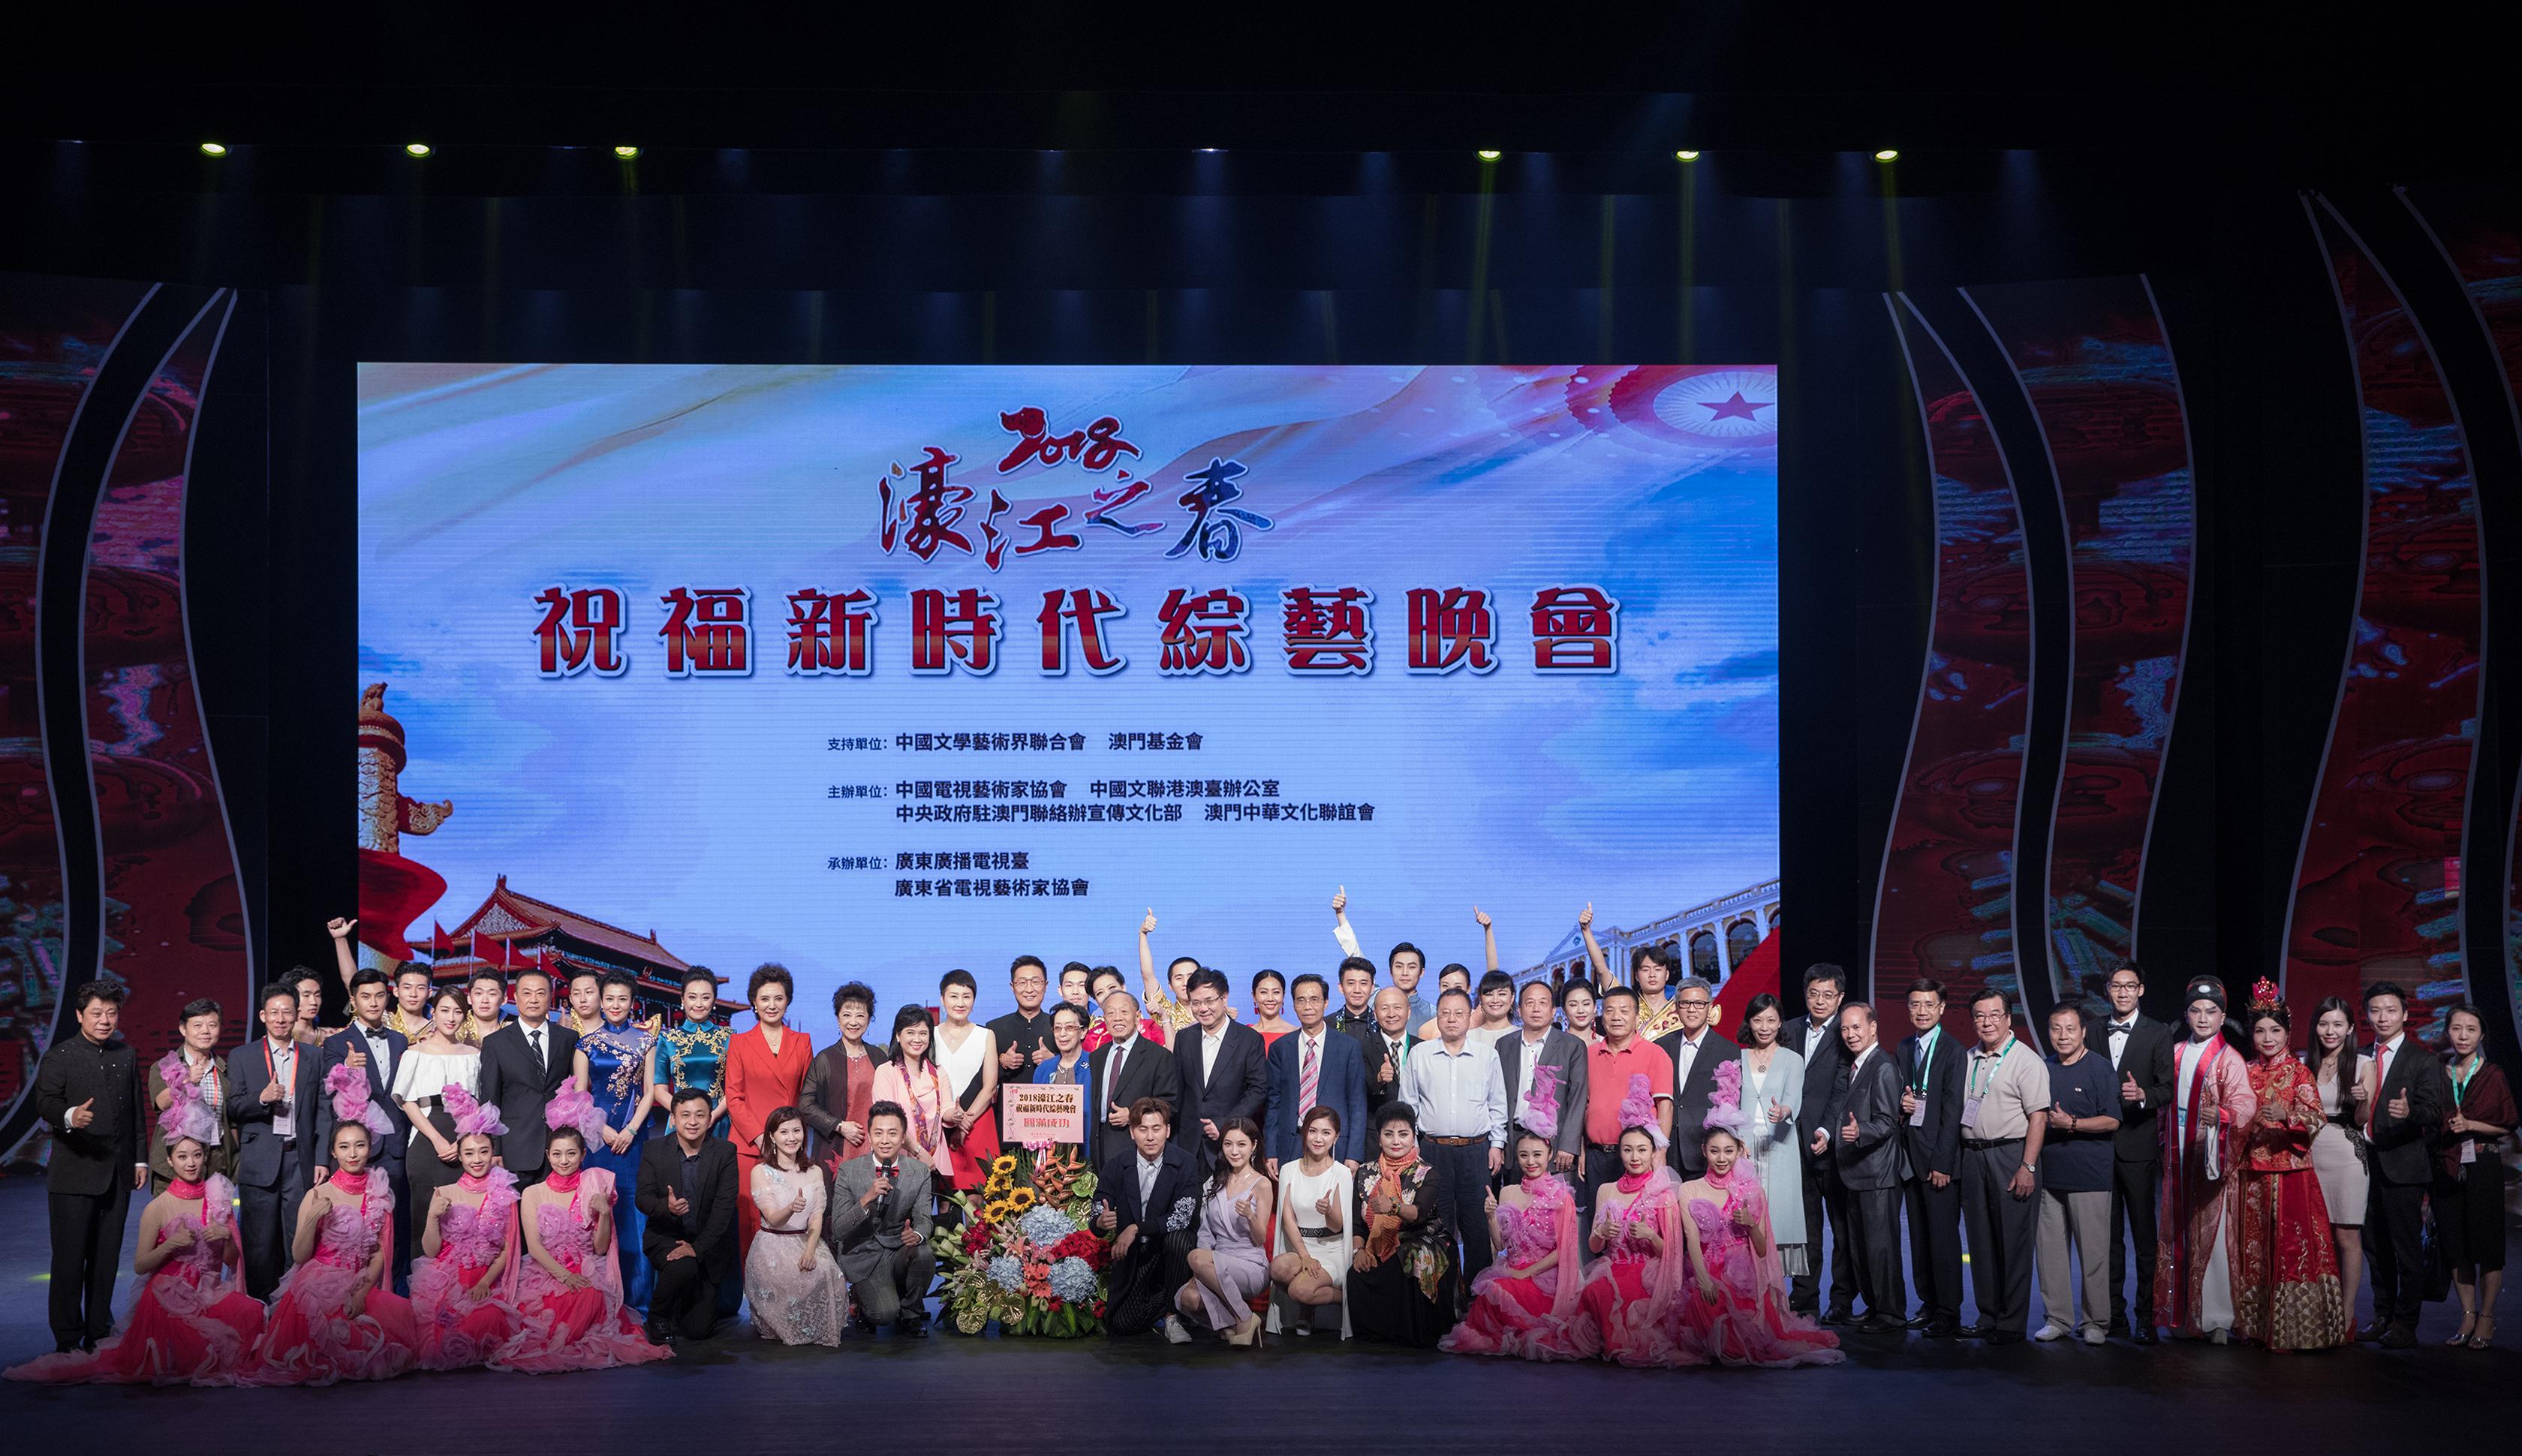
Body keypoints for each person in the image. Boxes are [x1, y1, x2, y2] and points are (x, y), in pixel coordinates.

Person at [7, 1082, 263, 1384]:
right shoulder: (159, 1206)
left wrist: (227, 1237)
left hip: (208, 1291)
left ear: (205, 1157)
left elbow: (231, 1261)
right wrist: (171, 1245)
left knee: (253, 1312)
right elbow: (141, 1265)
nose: (191, 1163)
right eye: (182, 1157)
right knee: (190, 1349)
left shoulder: (217, 1196)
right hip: (169, 1296)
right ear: (170, 1161)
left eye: (196, 1155)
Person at [238, 1072, 416, 1385]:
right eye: (344, 1147)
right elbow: (299, 1255)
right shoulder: (318, 1194)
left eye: (360, 1145)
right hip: (320, 1283)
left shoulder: (378, 1190)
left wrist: (362, 1292)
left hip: (361, 1282)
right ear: (333, 1152)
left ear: (370, 1147)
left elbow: (379, 1251)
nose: (353, 1154)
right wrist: (311, 1219)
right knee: (329, 1345)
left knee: (397, 1324)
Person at [1675, 1091, 1843, 1367]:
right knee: (1704, 1312)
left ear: (1739, 1150)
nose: (1721, 1158)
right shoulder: (1689, 1189)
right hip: (1705, 1272)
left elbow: (1763, 1250)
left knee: (1744, 1340)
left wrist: (1750, 1225)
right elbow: (1692, 1239)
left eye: (1728, 1151)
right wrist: (1703, 1280)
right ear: (1704, 1151)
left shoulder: (1751, 1190)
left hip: (1744, 1278)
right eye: (1715, 1151)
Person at [31, 981, 146, 1356]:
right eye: (97, 1013)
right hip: (73, 1175)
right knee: (69, 1260)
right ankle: (67, 1337)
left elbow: (135, 1112)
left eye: (111, 1013)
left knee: (106, 1258)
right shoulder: (60, 1055)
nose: (105, 1020)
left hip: (117, 1174)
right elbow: (45, 1102)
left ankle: (99, 1330)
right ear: (80, 1015)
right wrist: (70, 1115)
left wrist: (139, 1159)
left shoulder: (126, 1054)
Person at [2232, 982, 2349, 1351]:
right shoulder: (2244, 1071)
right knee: (2254, 1251)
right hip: (2251, 1174)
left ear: (2287, 1033)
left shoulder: (2299, 1073)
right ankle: (2254, 1326)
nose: (2268, 1038)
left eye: (2275, 1030)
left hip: (2290, 1174)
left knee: (2291, 1251)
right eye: (2260, 1031)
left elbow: (2316, 1118)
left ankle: (2294, 1329)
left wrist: (2287, 1116)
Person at [502, 1123, 668, 1370]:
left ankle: (564, 1344)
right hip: (545, 1272)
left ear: (583, 1155)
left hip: (586, 1269)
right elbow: (534, 1246)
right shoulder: (533, 1193)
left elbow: (600, 1249)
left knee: (590, 1297)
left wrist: (604, 1213)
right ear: (548, 1155)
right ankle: (556, 1346)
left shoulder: (593, 1187)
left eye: (571, 1153)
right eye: (557, 1154)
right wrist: (564, 1276)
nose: (564, 1161)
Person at [2156, 975, 2254, 1343]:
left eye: (2211, 1011)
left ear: (2222, 1016)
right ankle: (2183, 1315)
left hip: (2211, 1155)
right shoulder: (2174, 1053)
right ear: (2186, 1015)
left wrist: (2223, 1116)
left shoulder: (2230, 1059)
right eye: (2196, 1011)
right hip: (2178, 1154)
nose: (2202, 1018)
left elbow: (2245, 1105)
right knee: (2179, 1234)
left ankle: (2217, 1319)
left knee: (2212, 1237)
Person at [1439, 1128, 1589, 1359]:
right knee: (1490, 1292)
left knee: (1500, 1293)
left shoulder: (1562, 1196)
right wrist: (1491, 1217)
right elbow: (1500, 1245)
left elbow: (1564, 1251)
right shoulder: (1508, 1192)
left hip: (1546, 1277)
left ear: (1549, 1155)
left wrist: (1525, 1273)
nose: (1531, 1162)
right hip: (1512, 1269)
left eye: (1537, 1155)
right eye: (1523, 1155)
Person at [2358, 979, 2448, 1348]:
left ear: (2406, 1015)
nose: (2383, 1017)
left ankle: (2406, 1322)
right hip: (2363, 1163)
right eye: (2376, 1010)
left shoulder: (2422, 1060)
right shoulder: (2360, 1057)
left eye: (2391, 1010)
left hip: (2404, 1164)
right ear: (2367, 1015)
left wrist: (2410, 1112)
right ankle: (2382, 1314)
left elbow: (2434, 1112)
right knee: (2374, 1246)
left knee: (2406, 1248)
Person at [1955, 988, 2048, 1343]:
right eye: (1980, 1015)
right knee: (1980, 1241)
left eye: (1995, 1015)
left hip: (2011, 1156)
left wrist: (2028, 1166)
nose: (1987, 1022)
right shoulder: (1968, 1058)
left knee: (2013, 1243)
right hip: (1973, 1156)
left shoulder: (2026, 1060)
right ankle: (1987, 1315)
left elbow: (2039, 1117)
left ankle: (2010, 1322)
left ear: (2009, 1019)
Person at [407, 1087, 521, 1370]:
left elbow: (509, 1248)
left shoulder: (504, 1193)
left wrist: (485, 1283)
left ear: (493, 1153)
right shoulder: (444, 1192)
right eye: (469, 1153)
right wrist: (433, 1216)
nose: (477, 1159)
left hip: (488, 1280)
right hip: (447, 1279)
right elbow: (431, 1251)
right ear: (459, 1155)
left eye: (484, 1151)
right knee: (440, 1331)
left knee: (490, 1319)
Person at [227, 979, 324, 1301]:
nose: (281, 1019)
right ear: (262, 1016)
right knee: (259, 1242)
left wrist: (321, 1159)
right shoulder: (242, 1056)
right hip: (259, 1160)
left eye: (287, 1012)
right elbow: (233, 1107)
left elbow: (323, 1111)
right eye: (274, 1012)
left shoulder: (313, 1057)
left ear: (297, 1014)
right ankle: (259, 1306)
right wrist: (262, 1098)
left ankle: (293, 1306)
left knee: (298, 1238)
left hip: (300, 1158)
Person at [1404, 987, 1508, 1284]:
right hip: (1432, 1151)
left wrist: (1497, 1144)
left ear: (1469, 1017)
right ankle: (1444, 1296)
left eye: (1459, 1013)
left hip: (1476, 1151)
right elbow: (1409, 1105)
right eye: (1445, 1013)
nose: (1451, 1019)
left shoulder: (1487, 1056)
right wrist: (1413, 1148)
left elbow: (1497, 1104)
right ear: (1437, 1017)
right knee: (1437, 1224)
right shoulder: (1420, 1054)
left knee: (1476, 1225)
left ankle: (1478, 1294)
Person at [317, 967, 411, 1289]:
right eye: (366, 996)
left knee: (394, 1223)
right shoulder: (337, 1043)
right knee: (353, 1223)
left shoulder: (400, 1040)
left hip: (395, 1144)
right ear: (354, 1000)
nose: (373, 1002)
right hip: (356, 1147)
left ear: (388, 998)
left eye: (379, 996)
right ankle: (351, 1289)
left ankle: (394, 1292)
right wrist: (346, 1067)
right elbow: (327, 1088)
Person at [1813, 1002, 1906, 1332]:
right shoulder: (1858, 1064)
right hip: (1856, 1173)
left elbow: (1887, 1121)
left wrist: (1859, 1131)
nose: (1851, 1034)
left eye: (1857, 1027)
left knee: (1881, 1249)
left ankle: (1891, 1314)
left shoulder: (1882, 1066)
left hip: (1877, 1173)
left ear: (1873, 1028)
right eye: (1845, 1029)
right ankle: (1874, 1307)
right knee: (1862, 1247)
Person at [573, 970, 661, 1308]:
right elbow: (580, 1096)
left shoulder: (646, 1042)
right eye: (609, 998)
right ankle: (598, 1301)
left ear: (632, 1002)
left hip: (633, 1140)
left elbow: (650, 1091)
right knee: (597, 1212)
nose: (615, 1005)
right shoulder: (585, 1045)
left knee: (633, 1214)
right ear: (600, 1000)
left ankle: (638, 1300)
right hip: (597, 1142)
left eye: (622, 999)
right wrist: (602, 1129)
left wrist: (631, 1130)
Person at [1575, 1110, 1691, 1365]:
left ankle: (1623, 1345)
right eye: (1628, 1150)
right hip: (1614, 1267)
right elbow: (1594, 1245)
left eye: (1641, 1150)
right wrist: (1602, 1232)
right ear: (1620, 1153)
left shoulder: (1664, 1193)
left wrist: (1651, 1236)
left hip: (1650, 1271)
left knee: (1624, 1296)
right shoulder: (1607, 1190)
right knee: (1595, 1290)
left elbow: (1672, 1253)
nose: (1635, 1157)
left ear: (1653, 1153)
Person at [2035, 1000, 2120, 1344]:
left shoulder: (2100, 1068)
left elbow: (2112, 1120)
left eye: (2070, 1029)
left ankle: (2095, 1321)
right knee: (2050, 1253)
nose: (2063, 1036)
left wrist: (2072, 1124)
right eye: (2056, 1029)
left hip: (2089, 1175)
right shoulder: (2043, 1068)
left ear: (2083, 1032)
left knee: (2093, 1254)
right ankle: (2057, 1318)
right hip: (2049, 1174)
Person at [2100, 960, 2174, 1343]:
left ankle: (2146, 1316)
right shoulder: (2093, 1028)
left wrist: (2144, 1094)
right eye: (2117, 986)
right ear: (2108, 990)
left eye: (2130, 986)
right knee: (2107, 1240)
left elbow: (2167, 1088)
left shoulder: (2157, 1032)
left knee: (2144, 1239)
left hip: (2138, 1147)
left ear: (2141, 990)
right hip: (2099, 1149)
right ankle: (2113, 1315)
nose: (2123, 992)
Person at [636, 1086, 740, 1344]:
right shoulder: (654, 1150)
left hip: (706, 1244)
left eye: (700, 1115)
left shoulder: (725, 1152)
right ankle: (657, 1316)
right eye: (685, 1115)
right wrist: (667, 1207)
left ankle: (681, 1304)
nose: (693, 1122)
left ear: (710, 1118)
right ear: (673, 1119)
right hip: (666, 1237)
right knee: (682, 1266)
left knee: (698, 1330)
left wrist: (697, 1247)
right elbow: (642, 1198)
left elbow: (724, 1208)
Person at [2435, 1003, 2512, 1349]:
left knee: (2488, 1245)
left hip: (2483, 1164)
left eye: (2470, 1030)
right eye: (2456, 1028)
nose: (2463, 1036)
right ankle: (2467, 1314)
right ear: (2447, 1032)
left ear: (2481, 1035)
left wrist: (2471, 1124)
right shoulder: (2440, 1071)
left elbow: (2507, 1125)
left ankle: (2487, 1317)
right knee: (2455, 1244)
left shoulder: (2492, 1074)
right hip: (2448, 1164)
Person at [1348, 1101, 1456, 1346]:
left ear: (1414, 1137)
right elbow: (1357, 1223)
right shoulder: (1365, 1173)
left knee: (1411, 1256)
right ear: (1379, 1138)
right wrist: (1358, 1251)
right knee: (1356, 1274)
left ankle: (1416, 1333)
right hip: (1376, 1242)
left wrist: (1393, 1207)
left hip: (1424, 1238)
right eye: (1389, 1134)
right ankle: (1378, 1334)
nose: (1396, 1141)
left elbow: (1419, 1214)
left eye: (1403, 1134)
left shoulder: (1427, 1173)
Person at [727, 962, 814, 1262]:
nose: (771, 1005)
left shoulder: (802, 1042)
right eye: (764, 999)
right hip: (750, 1147)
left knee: (792, 1220)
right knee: (750, 1224)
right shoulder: (739, 1042)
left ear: (788, 1000)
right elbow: (734, 1097)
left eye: (778, 998)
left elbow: (805, 1096)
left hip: (789, 1145)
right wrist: (761, 1138)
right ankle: (753, 1288)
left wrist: (790, 1139)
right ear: (754, 1002)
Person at [1097, 1097, 1202, 1341]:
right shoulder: (1117, 1164)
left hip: (1170, 1252)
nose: (1150, 1137)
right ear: (1132, 1132)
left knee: (1178, 1239)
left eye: (1157, 1129)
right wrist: (1100, 1222)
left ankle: (1173, 1315)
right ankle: (1172, 1301)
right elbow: (1099, 1204)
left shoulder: (1186, 1163)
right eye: (1143, 1129)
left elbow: (1181, 1218)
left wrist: (1136, 1228)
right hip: (1135, 1254)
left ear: (1168, 1130)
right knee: (1121, 1324)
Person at [744, 1106, 850, 1346]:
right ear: (772, 1136)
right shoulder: (761, 1172)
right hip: (772, 1246)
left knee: (825, 1271)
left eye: (797, 1131)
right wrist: (791, 1208)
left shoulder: (814, 1171)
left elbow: (817, 1216)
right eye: (784, 1132)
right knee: (791, 1281)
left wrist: (811, 1251)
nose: (791, 1138)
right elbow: (773, 1219)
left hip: (806, 1239)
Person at [828, 1100, 935, 1337]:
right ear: (869, 1136)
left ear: (903, 1137)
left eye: (892, 1133)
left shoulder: (919, 1171)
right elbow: (838, 1230)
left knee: (924, 1252)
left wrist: (916, 1235)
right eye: (878, 1133)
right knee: (884, 1315)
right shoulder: (849, 1171)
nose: (885, 1140)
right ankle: (864, 1301)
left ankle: (911, 1314)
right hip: (863, 1253)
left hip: (897, 1248)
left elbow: (924, 1218)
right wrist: (866, 1199)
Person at [1895, 978, 1964, 1337]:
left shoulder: (1953, 1050)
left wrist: (1942, 1163)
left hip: (1938, 1163)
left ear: (1941, 1009)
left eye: (1929, 1004)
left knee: (1943, 1240)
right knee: (1920, 1239)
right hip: (1911, 1158)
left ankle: (1949, 1311)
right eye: (1915, 1004)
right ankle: (1928, 1303)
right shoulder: (1905, 1046)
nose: (1922, 1011)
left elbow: (1953, 1112)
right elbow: (1903, 1095)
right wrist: (1902, 1104)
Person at [390, 987, 483, 1259]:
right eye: (444, 1010)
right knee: (424, 1213)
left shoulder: (473, 1055)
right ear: (433, 1013)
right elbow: (407, 1101)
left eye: (458, 1012)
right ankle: (422, 1280)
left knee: (463, 1215)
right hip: (426, 1139)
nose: (451, 1018)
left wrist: (463, 1140)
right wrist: (438, 1139)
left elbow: (479, 1103)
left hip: (466, 1142)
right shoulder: (414, 1053)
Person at [1782, 964, 1851, 1317]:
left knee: (1841, 1228)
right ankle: (1804, 1296)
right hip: (1793, 1145)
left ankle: (1842, 1301)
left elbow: (1844, 1089)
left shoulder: (1847, 1031)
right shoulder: (1789, 1029)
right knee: (1804, 1226)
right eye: (1814, 994)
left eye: (1828, 995)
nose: (1820, 1001)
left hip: (1833, 1146)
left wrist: (1826, 1130)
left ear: (1840, 998)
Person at [1581, 985, 1673, 1239]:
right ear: (1602, 1016)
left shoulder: (1655, 1054)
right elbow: (1583, 1105)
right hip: (1596, 1155)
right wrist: (1582, 1149)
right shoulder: (1589, 1054)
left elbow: (1665, 1107)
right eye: (1610, 1011)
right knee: (1599, 1227)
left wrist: (1660, 1153)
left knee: (1635, 1230)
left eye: (1624, 1010)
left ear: (1637, 1016)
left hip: (1637, 1157)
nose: (1616, 1017)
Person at [1732, 994, 1808, 1300]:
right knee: (1744, 1215)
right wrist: (1736, 1139)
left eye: (1771, 1020)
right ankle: (1746, 1292)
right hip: (1744, 1147)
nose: (1764, 1027)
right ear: (1749, 1022)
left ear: (1780, 1023)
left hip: (1779, 1144)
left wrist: (1783, 1111)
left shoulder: (1792, 1059)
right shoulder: (1737, 1057)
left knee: (1777, 1215)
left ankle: (1775, 1293)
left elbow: (1793, 1099)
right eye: (1758, 1020)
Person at [477, 966, 579, 1184]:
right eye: (527, 993)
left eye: (540, 993)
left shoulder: (568, 1038)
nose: (533, 999)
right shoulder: (496, 1043)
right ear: (516, 998)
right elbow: (490, 1100)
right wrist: (495, 1149)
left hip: (559, 1148)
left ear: (550, 997)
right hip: (515, 1147)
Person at [2300, 994, 2366, 1326]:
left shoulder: (2364, 1064)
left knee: (2346, 1237)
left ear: (2350, 1028)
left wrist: (2363, 1100)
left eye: (2338, 1024)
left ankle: (2347, 1311)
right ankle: (2321, 1308)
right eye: (2324, 1024)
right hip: (2310, 1153)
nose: (2330, 1031)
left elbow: (2364, 1120)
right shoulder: (2303, 1064)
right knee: (2317, 1237)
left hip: (2347, 1154)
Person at [1177, 1118, 1274, 1343]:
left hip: (1250, 1263)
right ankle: (1231, 1324)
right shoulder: (1212, 1183)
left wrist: (1250, 1216)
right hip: (1214, 1262)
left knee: (1195, 1257)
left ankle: (1244, 1318)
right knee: (1188, 1298)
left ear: (1254, 1146)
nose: (1234, 1151)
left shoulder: (1262, 1184)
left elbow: (1260, 1238)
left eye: (1241, 1144)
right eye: (1228, 1144)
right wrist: (1199, 1271)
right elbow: (1205, 1233)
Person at [1264, 973, 1371, 1175]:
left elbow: (1357, 1104)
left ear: (1326, 1003)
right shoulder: (1281, 1048)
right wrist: (1271, 1151)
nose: (1308, 1006)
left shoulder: (1348, 1047)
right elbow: (1274, 1103)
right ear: (1293, 1005)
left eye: (1314, 999)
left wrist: (1354, 1154)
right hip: (1291, 1144)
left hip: (1334, 1147)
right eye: (1301, 1000)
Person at [1269, 1106, 1356, 1338]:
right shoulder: (1289, 1170)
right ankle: (1308, 1308)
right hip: (1301, 1248)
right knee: (1277, 1268)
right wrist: (1305, 1256)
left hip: (1332, 1249)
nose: (1318, 1139)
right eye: (1313, 1131)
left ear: (1336, 1137)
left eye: (1326, 1133)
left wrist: (1328, 1211)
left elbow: (1338, 1226)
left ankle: (1347, 1298)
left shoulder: (1341, 1173)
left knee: (1300, 1291)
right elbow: (1288, 1219)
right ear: (1304, 1132)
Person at [1175, 967, 1270, 1177]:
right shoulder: (1184, 1038)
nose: (1203, 1009)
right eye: (1196, 1003)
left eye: (1209, 1001)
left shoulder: (1249, 1039)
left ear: (1224, 997)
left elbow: (1258, 1090)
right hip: (1188, 1146)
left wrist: (1226, 1123)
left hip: (1230, 1144)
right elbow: (1178, 1091)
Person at [1498, 977, 1589, 1183]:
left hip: (1555, 1145)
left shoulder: (1572, 1046)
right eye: (1530, 1003)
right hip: (1514, 1143)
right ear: (1520, 1010)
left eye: (1543, 1003)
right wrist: (1499, 1143)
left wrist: (1568, 1145)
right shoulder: (1504, 1045)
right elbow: (1497, 1096)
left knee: (1556, 1202)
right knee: (1515, 1200)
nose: (1536, 1009)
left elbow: (1578, 1099)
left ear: (1553, 1010)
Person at [1088, 988, 1182, 1170]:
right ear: (1105, 1019)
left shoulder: (1159, 1056)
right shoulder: (1097, 1056)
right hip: (1098, 1150)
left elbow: (1170, 1103)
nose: (1117, 1018)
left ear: (1138, 1017)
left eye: (1124, 1011)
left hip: (1138, 1150)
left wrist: (1133, 1115)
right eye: (1111, 1013)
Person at [147, 997, 233, 1191]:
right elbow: (161, 1102)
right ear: (183, 1029)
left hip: (215, 1159)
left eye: (212, 1025)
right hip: (177, 1162)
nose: (206, 1031)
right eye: (198, 1025)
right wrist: (186, 1081)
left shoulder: (225, 1069)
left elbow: (231, 1121)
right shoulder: (165, 1066)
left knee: (215, 1212)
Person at [801, 981, 889, 1167]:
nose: (853, 1022)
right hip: (834, 1145)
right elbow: (806, 1105)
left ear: (869, 1020)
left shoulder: (879, 1057)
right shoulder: (825, 1059)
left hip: (875, 1146)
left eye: (860, 1016)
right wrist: (839, 1126)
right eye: (847, 1015)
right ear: (838, 1019)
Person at [931, 967, 1001, 1197]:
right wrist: (951, 1121)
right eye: (954, 996)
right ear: (942, 999)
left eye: (966, 997)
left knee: (978, 1199)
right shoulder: (930, 1035)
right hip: (938, 1126)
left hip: (977, 1123)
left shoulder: (985, 1035)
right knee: (943, 1198)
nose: (960, 1003)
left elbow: (989, 1086)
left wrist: (966, 1121)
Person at [1658, 976, 1738, 1180]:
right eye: (1685, 1003)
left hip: (1705, 1150)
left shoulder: (1727, 1050)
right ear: (1676, 1008)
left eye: (1699, 1003)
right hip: (1667, 1149)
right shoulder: (1661, 1046)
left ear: (1709, 1007)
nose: (1692, 1009)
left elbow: (1732, 1105)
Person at [1328, 886, 1435, 1025]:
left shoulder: (1433, 1013)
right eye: (1399, 966)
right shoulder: (1377, 999)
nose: (1405, 973)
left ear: (1422, 972)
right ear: (1391, 971)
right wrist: (1340, 914)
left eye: (1412, 967)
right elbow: (1356, 955)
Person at [871, 1003, 954, 1176]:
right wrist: (918, 1151)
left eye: (923, 1033)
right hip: (899, 1161)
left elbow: (947, 1109)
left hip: (934, 1161)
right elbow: (888, 1121)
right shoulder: (886, 1072)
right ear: (898, 1036)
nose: (917, 1039)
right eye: (910, 1032)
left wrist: (957, 1115)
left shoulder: (939, 1073)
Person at [655, 968, 731, 1135]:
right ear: (682, 999)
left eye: (705, 997)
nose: (698, 1004)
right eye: (692, 997)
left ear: (714, 1000)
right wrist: (683, 1114)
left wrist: (713, 1116)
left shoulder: (729, 1037)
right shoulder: (668, 1039)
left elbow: (735, 1088)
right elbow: (659, 1089)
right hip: (680, 1123)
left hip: (717, 1121)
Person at [1031, 1003, 1096, 1157]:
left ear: (1083, 1031)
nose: (1062, 1034)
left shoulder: (1096, 1065)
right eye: (1057, 1028)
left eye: (1070, 1028)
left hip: (1088, 1151)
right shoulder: (1044, 1069)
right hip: (1050, 1154)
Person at [989, 955, 1057, 1080]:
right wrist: (1003, 1061)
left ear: (1046, 985)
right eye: (1022, 983)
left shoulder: (1059, 1027)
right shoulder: (994, 1029)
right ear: (1012, 987)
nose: (1029, 989)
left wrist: (1054, 1061)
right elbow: (982, 1075)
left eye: (1035, 982)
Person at [1138, 908, 1202, 1033]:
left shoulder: (1215, 1011)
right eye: (1179, 978)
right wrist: (1142, 934)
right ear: (1170, 986)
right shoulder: (1166, 1012)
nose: (1185, 983)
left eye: (1191, 976)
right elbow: (1147, 975)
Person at [1360, 985, 1419, 1103]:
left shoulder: (1421, 1047)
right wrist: (1379, 1079)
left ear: (1408, 1012)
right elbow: (1358, 1090)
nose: (1391, 1014)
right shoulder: (1363, 1048)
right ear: (1375, 1015)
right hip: (1379, 1113)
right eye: (1385, 1008)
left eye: (1397, 1007)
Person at [1329, 954, 1380, 1039]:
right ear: (1341, 987)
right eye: (1351, 983)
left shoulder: (1383, 1024)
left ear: (1372, 988)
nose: (1357, 990)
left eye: (1363, 983)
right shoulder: (1327, 1025)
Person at [457, 968, 507, 1047]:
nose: (485, 1000)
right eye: (478, 993)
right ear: (469, 998)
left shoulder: (515, 1033)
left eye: (492, 994)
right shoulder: (455, 1030)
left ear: (504, 1000)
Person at [1247, 969, 1296, 1048]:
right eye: (1264, 992)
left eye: (1276, 992)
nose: (1270, 998)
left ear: (1283, 996)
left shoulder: (1296, 1034)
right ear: (1254, 997)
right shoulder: (1244, 1033)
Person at [1559, 977, 1600, 1045]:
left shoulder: (1607, 1044)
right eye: (1573, 1005)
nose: (1580, 1011)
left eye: (1586, 1004)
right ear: (1564, 1009)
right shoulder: (1554, 1046)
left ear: (1595, 1007)